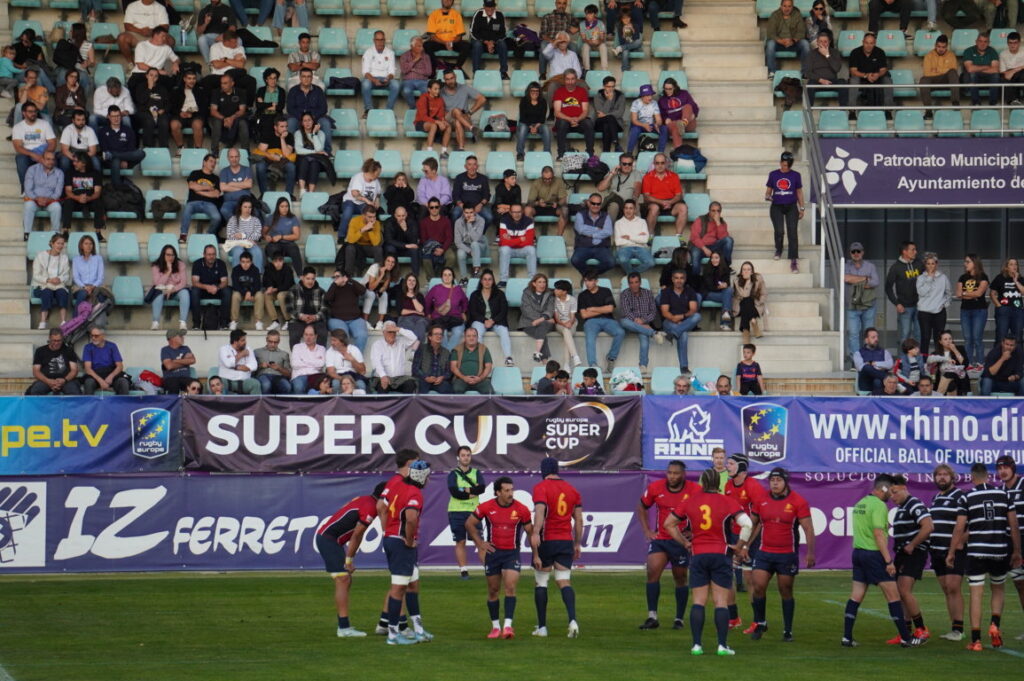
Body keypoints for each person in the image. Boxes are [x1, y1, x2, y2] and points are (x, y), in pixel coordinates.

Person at [665, 468, 752, 656]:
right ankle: (722, 646)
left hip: (698, 554)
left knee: (698, 601)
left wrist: (685, 542)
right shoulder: (728, 501)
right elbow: (748, 524)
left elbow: (668, 524)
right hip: (721, 554)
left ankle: (697, 645)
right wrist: (739, 545)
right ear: (718, 484)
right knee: (721, 602)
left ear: (702, 483)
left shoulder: (690, 501)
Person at [842, 474, 924, 647]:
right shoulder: (879, 506)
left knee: (856, 596)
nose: (892, 495)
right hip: (873, 555)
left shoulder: (860, 503)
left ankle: (846, 637)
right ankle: (906, 637)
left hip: (857, 553)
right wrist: (888, 561)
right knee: (893, 595)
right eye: (891, 491)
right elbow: (878, 534)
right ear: (884, 489)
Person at [949, 462, 1022, 651]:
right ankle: (994, 624)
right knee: (998, 589)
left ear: (972, 478)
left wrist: (951, 552)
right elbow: (1013, 525)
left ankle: (976, 640)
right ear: (989, 476)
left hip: (977, 551)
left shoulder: (967, 497)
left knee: (976, 593)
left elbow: (959, 527)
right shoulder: (1004, 494)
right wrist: (1016, 551)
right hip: (999, 549)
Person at [744, 467, 815, 642]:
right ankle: (760, 623)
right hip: (764, 552)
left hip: (786, 554)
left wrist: (811, 553)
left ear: (786, 482)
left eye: (778, 480)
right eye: (772, 480)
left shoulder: (798, 501)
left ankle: (788, 630)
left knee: (786, 591)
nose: (775, 483)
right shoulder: (761, 500)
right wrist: (744, 545)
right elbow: (751, 524)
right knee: (758, 586)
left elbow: (808, 528)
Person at [315, 481, 387, 638]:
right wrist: (349, 559)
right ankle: (344, 628)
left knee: (345, 580)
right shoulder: (370, 508)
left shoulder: (365, 500)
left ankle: (344, 624)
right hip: (328, 539)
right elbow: (357, 535)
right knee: (343, 580)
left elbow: (348, 507)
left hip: (330, 539)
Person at [636, 460, 700, 630]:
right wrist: (648, 530)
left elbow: (703, 510)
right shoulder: (656, 487)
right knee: (652, 571)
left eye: (676, 473)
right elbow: (642, 507)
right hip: (661, 540)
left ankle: (679, 618)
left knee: (680, 578)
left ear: (683, 474)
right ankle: (652, 616)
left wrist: (694, 532)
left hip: (680, 541)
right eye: (669, 473)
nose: (672, 476)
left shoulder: (694, 490)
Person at [467, 476, 533, 639]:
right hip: (493, 554)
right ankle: (495, 627)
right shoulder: (486, 507)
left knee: (510, 587)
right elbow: (469, 523)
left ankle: (508, 626)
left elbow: (531, 532)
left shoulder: (522, 509)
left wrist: (536, 555)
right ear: (498, 492)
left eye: (512, 490)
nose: (511, 493)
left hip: (512, 553)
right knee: (493, 590)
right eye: (507, 490)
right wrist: (480, 543)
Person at [378, 455, 434, 645]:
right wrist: (409, 540)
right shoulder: (415, 493)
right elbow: (410, 519)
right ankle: (393, 635)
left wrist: (388, 531)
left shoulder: (399, 485)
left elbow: (382, 507)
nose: (429, 480)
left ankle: (418, 629)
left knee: (412, 585)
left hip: (394, 539)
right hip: (401, 543)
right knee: (398, 588)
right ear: (422, 477)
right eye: (428, 476)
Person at [530, 457, 583, 638]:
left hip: (547, 539)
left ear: (543, 470)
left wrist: (536, 532)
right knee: (563, 580)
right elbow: (579, 521)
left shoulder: (541, 487)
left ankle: (542, 627)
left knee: (541, 581)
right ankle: (572, 620)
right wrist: (577, 543)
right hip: (565, 540)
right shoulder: (572, 490)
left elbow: (540, 511)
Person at [886, 475, 934, 644]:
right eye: (890, 493)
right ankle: (905, 633)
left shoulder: (914, 504)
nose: (892, 496)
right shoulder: (901, 508)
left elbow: (928, 526)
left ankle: (922, 630)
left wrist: (913, 544)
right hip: (903, 553)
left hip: (913, 553)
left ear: (904, 488)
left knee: (904, 591)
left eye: (895, 492)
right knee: (900, 593)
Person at [929, 463, 967, 641]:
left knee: (953, 587)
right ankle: (954, 627)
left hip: (953, 551)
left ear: (952, 477)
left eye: (945, 474)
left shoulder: (960, 497)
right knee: (946, 589)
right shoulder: (936, 498)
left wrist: (961, 541)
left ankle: (958, 629)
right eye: (938, 475)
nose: (942, 477)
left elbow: (972, 524)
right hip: (936, 550)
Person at [447, 446, 487, 579]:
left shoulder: (476, 472)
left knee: (479, 541)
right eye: (463, 455)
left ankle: (489, 569)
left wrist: (463, 489)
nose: (466, 457)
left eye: (468, 455)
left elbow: (481, 488)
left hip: (473, 512)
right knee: (460, 541)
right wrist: (471, 492)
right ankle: (464, 571)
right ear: (458, 457)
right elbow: (454, 492)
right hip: (456, 511)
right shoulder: (453, 474)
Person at [995, 455, 1024, 624]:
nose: (1002, 471)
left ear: (1013, 468)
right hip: (1010, 542)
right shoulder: (1001, 492)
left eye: (1005, 467)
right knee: (1019, 584)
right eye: (999, 468)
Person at [578, 270, 624, 372]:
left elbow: (610, 309)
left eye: (590, 281)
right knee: (590, 339)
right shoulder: (582, 295)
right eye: (585, 281)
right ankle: (593, 364)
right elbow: (584, 314)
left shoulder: (606, 291)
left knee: (620, 332)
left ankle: (611, 357)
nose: (587, 283)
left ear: (596, 281)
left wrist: (592, 309)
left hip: (608, 320)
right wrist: (602, 309)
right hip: (591, 321)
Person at [765, 151, 803, 273]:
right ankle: (779, 249)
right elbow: (768, 191)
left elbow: (799, 192)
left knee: (792, 232)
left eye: (787, 165)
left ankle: (793, 261)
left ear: (790, 165)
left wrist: (801, 208)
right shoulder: (773, 174)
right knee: (779, 231)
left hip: (791, 206)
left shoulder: (796, 175)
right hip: (776, 206)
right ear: (780, 162)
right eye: (782, 164)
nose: (784, 167)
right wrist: (768, 196)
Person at [469, 270, 514, 366]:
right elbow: (473, 312)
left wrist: (493, 320)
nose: (487, 282)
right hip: (480, 321)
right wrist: (484, 320)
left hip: (496, 321)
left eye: (490, 279)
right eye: (484, 279)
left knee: (504, 331)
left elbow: (503, 311)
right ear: (481, 281)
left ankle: (508, 358)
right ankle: (480, 358)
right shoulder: (475, 295)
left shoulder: (500, 294)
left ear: (493, 281)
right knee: (477, 332)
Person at [660, 269, 701, 375]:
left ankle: (674, 334)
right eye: (676, 278)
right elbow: (665, 312)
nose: (679, 280)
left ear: (685, 280)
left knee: (697, 316)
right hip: (669, 321)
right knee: (683, 333)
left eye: (681, 278)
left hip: (685, 320)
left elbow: (693, 309)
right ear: (673, 279)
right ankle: (684, 367)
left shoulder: (690, 291)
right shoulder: (666, 292)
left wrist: (682, 317)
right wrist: (674, 319)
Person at [844, 242, 879, 363]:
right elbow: (845, 278)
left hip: (868, 305)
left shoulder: (870, 266)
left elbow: (875, 282)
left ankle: (868, 358)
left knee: (869, 333)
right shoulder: (845, 266)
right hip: (852, 306)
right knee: (853, 334)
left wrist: (854, 280)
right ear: (850, 254)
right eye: (853, 252)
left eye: (858, 251)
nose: (856, 254)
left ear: (862, 252)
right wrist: (865, 279)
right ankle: (856, 360)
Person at [619, 271, 660, 373]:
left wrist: (643, 321)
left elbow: (653, 311)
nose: (634, 285)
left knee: (644, 342)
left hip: (644, 324)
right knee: (624, 321)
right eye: (631, 282)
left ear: (640, 282)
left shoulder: (648, 293)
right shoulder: (624, 294)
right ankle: (653, 333)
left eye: (636, 282)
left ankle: (643, 365)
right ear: (629, 284)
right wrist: (637, 321)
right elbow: (626, 312)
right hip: (631, 324)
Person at [286, 68, 333, 153]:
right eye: (304, 76)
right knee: (291, 122)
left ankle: (327, 152)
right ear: (300, 78)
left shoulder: (318, 90)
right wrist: (303, 118)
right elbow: (290, 108)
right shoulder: (293, 90)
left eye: (309, 76)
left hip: (315, 117)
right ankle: (290, 151)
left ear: (312, 78)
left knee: (325, 123)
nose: (306, 79)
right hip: (298, 117)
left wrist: (312, 118)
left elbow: (323, 108)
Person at [60, 151, 105, 239]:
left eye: (76, 162)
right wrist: (77, 198)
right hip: (75, 199)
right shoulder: (70, 173)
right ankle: (65, 231)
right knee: (67, 202)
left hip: (90, 200)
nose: (74, 164)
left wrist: (88, 198)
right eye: (73, 161)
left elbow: (97, 193)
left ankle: (98, 232)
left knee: (99, 203)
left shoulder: (95, 174)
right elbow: (68, 191)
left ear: (84, 163)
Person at [640, 153, 687, 237]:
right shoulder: (647, 177)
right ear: (654, 164)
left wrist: (670, 202)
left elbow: (678, 195)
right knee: (654, 208)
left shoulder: (674, 176)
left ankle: (679, 237)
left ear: (666, 163)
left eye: (662, 163)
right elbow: (646, 197)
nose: (660, 166)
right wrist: (662, 202)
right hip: (654, 202)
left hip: (671, 202)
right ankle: (649, 236)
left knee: (683, 208)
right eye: (657, 163)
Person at [13, 102, 57, 191]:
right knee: (20, 158)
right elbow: (18, 147)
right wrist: (33, 154)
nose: (33, 114)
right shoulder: (18, 127)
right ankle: (26, 188)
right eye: (30, 111)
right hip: (28, 153)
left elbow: (52, 143)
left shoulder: (44, 124)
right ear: (23, 113)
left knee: (54, 157)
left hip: (44, 151)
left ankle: (53, 188)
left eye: (35, 111)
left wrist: (44, 154)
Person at [552, 69, 595, 160]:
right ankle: (561, 154)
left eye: (572, 79)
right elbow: (557, 112)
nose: (570, 82)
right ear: (564, 80)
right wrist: (570, 119)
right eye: (567, 79)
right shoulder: (559, 92)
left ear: (576, 80)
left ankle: (590, 153)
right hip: (564, 121)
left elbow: (585, 110)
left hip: (579, 121)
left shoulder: (582, 91)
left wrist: (578, 119)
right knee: (562, 123)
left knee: (589, 123)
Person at [180, 153, 224, 242]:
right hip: (193, 202)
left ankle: (209, 234)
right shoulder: (195, 173)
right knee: (187, 210)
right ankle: (183, 236)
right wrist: (208, 188)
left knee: (217, 217)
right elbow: (192, 186)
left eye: (215, 162)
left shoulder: (216, 178)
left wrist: (199, 191)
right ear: (204, 162)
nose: (213, 164)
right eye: (211, 161)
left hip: (210, 204)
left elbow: (216, 194)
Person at [31, 233, 71, 329]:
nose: (60, 246)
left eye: (62, 244)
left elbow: (66, 274)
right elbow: (36, 275)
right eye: (58, 243)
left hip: (58, 285)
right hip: (42, 285)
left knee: (63, 293)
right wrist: (48, 280)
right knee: (47, 292)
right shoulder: (40, 256)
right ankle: (43, 321)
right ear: (52, 243)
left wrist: (59, 279)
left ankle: (63, 322)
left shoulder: (64, 258)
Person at [956, 254, 989, 368]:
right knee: (967, 338)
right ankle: (968, 363)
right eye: (965, 261)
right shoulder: (962, 277)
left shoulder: (983, 277)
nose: (965, 264)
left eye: (967, 261)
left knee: (977, 338)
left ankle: (980, 362)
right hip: (965, 311)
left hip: (979, 311)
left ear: (974, 263)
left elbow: (979, 293)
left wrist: (965, 293)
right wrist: (971, 295)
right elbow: (958, 293)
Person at [22, 150, 63, 239]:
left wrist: (48, 200)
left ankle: (55, 233)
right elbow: (28, 189)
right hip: (34, 200)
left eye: (53, 159)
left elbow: (58, 192)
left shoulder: (59, 173)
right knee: (28, 205)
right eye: (48, 159)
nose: (51, 162)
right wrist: (37, 198)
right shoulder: (32, 169)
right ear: (42, 159)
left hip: (50, 201)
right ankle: (27, 233)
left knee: (57, 207)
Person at [323, 269, 368, 352]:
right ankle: (344, 360)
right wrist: (334, 284)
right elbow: (327, 298)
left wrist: (349, 280)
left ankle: (356, 358)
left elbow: (363, 291)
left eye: (337, 276)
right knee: (343, 336)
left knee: (362, 335)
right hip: (336, 319)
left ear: (344, 277)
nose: (335, 279)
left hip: (355, 319)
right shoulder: (334, 287)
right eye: (334, 277)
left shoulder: (351, 285)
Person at [98, 107, 144, 186]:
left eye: (118, 116)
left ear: (121, 116)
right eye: (113, 116)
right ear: (108, 117)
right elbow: (104, 149)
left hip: (126, 161)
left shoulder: (128, 130)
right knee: (115, 161)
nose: (116, 119)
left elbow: (131, 148)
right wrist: (119, 158)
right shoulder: (103, 131)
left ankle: (116, 156)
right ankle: (117, 186)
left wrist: (123, 159)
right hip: (109, 160)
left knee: (141, 153)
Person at [916, 253, 951, 357]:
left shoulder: (943, 277)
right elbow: (921, 292)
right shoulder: (921, 278)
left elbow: (948, 292)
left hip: (939, 311)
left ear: (937, 264)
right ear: (925, 265)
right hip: (924, 312)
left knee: (939, 338)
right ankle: (924, 361)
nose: (931, 266)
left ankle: (939, 360)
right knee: (925, 337)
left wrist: (945, 304)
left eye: (933, 263)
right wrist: (929, 279)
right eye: (928, 264)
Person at [338, 159, 383, 240]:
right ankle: (341, 236)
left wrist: (377, 200)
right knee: (347, 214)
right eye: (378, 172)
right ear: (372, 171)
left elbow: (378, 193)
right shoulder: (358, 177)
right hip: (351, 202)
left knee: (370, 214)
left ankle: (368, 236)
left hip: (363, 205)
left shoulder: (376, 181)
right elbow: (355, 194)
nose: (379, 174)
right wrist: (367, 201)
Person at [27, 328, 81, 395]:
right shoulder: (40, 351)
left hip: (66, 380)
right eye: (54, 341)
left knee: (74, 391)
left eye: (59, 341)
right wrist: (48, 381)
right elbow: (36, 371)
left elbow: (74, 370)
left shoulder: (69, 350)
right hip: (46, 380)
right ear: (49, 338)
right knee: (36, 390)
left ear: (62, 339)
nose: (56, 343)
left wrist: (64, 380)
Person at [369, 321, 419, 394]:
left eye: (394, 332)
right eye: (390, 332)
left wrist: (398, 329)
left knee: (410, 384)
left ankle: (406, 406)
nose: (392, 334)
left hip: (399, 378)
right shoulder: (377, 344)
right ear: (384, 333)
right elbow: (376, 362)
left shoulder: (401, 342)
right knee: (382, 387)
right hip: (383, 377)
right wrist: (383, 376)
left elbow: (414, 338)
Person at [848, 32, 894, 110]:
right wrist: (866, 75)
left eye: (871, 43)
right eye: (866, 43)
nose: (869, 46)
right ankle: (852, 110)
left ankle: (888, 110)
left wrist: (878, 75)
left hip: (877, 77)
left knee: (887, 80)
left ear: (875, 43)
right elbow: (853, 71)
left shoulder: (880, 52)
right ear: (863, 42)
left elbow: (883, 69)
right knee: (853, 80)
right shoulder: (855, 52)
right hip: (861, 78)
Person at [426, 267, 469, 349]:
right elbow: (427, 301)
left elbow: (465, 301)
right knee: (442, 334)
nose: (447, 277)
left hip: (455, 318)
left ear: (453, 277)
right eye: (445, 275)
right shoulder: (436, 288)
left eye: (449, 275)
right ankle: (448, 356)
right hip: (439, 318)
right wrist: (428, 314)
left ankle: (446, 355)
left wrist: (463, 311)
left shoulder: (458, 289)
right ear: (441, 277)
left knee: (458, 332)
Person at [571, 193, 615, 275]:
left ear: (601, 205)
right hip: (583, 246)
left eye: (598, 204)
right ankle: (590, 276)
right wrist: (597, 230)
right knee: (575, 260)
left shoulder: (606, 216)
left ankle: (591, 275)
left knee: (611, 262)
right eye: (593, 203)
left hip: (602, 247)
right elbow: (581, 229)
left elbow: (608, 232)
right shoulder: (580, 214)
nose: (595, 206)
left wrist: (592, 234)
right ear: (588, 203)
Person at [190, 244, 231, 330]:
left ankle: (224, 324)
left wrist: (217, 287)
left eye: (213, 254)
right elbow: (194, 282)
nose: (211, 256)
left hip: (217, 290)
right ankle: (196, 324)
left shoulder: (221, 263)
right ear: (204, 255)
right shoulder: (197, 263)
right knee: (194, 291)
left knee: (227, 291)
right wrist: (207, 287)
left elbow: (225, 281)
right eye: (209, 254)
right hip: (203, 290)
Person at [130, 66, 173, 148]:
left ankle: (164, 148)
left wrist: (163, 110)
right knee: (149, 121)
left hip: (160, 113)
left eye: (156, 76)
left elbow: (168, 104)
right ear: (146, 76)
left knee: (164, 121)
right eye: (151, 75)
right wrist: (149, 88)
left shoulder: (162, 89)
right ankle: (148, 148)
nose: (153, 78)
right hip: (145, 112)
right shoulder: (140, 87)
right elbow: (140, 101)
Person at [764, 0, 808, 78]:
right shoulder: (775, 15)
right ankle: (772, 72)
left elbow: (801, 32)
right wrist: (781, 41)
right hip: (779, 43)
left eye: (789, 6)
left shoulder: (797, 15)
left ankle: (805, 72)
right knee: (770, 44)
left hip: (793, 43)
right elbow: (771, 33)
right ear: (781, 6)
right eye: (784, 6)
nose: (787, 8)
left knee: (805, 44)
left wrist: (793, 40)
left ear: (792, 7)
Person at [804, 30, 849, 106]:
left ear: (829, 42)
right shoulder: (811, 54)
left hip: (832, 81)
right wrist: (821, 80)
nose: (823, 43)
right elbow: (807, 72)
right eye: (820, 41)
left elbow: (837, 68)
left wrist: (827, 55)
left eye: (825, 41)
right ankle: (809, 111)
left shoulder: (835, 52)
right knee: (810, 85)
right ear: (817, 42)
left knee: (843, 83)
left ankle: (843, 111)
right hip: (817, 81)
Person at [208, 73, 249, 155]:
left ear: (232, 83)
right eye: (221, 83)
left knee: (243, 123)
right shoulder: (216, 92)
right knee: (217, 122)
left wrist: (231, 118)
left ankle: (246, 151)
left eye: (225, 83)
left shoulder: (240, 92)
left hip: (236, 118)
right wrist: (224, 119)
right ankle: (214, 151)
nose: (222, 85)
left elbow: (242, 110)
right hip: (220, 117)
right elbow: (213, 111)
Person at [360, 30, 399, 116]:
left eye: (382, 40)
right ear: (374, 40)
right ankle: (368, 110)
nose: (380, 42)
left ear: (384, 40)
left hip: (385, 79)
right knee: (365, 84)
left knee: (396, 84)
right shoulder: (368, 52)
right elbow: (365, 72)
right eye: (378, 40)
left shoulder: (390, 53)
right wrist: (374, 80)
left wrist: (388, 78)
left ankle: (389, 110)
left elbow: (392, 72)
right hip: (372, 79)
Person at [424, 0, 472, 71]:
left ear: (452, 2)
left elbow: (459, 36)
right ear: (442, 1)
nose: (447, 1)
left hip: (453, 43)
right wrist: (445, 43)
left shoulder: (456, 14)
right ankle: (437, 66)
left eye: (450, 0)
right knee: (426, 45)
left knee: (467, 45)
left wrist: (451, 43)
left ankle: (457, 67)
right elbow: (432, 36)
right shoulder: (434, 14)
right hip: (439, 43)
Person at [688, 202, 732, 278]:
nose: (715, 213)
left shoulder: (722, 223)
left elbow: (723, 238)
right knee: (695, 255)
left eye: (718, 211)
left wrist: (718, 223)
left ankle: (726, 267)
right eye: (713, 210)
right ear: (709, 211)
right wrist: (704, 248)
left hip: (714, 247)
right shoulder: (700, 220)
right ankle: (695, 281)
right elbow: (694, 237)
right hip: (700, 247)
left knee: (729, 240)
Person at [339, 205, 383, 277]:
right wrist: (363, 230)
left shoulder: (377, 223)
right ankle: (348, 276)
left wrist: (370, 230)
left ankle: (376, 276)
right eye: (370, 217)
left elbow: (376, 243)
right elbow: (350, 240)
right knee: (349, 248)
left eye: (374, 217)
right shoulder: (354, 221)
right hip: (357, 246)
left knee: (378, 249)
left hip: (368, 247)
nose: (372, 220)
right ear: (363, 216)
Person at [498, 205, 537, 286]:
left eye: (519, 212)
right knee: (504, 249)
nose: (517, 214)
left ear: (522, 212)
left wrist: (510, 240)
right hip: (509, 250)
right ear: (510, 212)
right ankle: (503, 280)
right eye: (514, 212)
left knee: (531, 250)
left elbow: (529, 241)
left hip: (523, 249)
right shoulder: (504, 221)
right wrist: (520, 239)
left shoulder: (529, 221)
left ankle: (533, 280)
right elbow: (503, 242)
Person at [989, 258, 1024, 347]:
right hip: (1003, 309)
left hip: (1017, 310)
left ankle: (1018, 360)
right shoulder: (1000, 278)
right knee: (1001, 336)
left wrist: (1016, 280)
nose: (1014, 266)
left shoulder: (1020, 278)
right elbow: (992, 294)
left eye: (1015, 264)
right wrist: (999, 306)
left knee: (1018, 337)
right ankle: (999, 359)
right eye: (1011, 264)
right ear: (1006, 267)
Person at [470, 0, 510, 78]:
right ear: (484, 6)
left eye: (492, 7)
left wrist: (492, 42)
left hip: (494, 43)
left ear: (495, 7)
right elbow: (473, 32)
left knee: (502, 44)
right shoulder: (478, 14)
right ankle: (476, 72)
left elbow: (503, 33)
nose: (490, 9)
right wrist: (486, 42)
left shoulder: (499, 15)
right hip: (481, 42)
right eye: (488, 7)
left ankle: (503, 72)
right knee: (477, 45)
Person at [526, 166, 569, 238]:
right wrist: (538, 203)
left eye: (550, 179)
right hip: (539, 207)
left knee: (565, 210)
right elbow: (530, 202)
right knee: (527, 210)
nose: (547, 181)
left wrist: (558, 203)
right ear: (541, 176)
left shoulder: (559, 181)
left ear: (553, 175)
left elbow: (563, 200)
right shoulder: (536, 183)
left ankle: (558, 237)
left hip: (554, 207)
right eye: (545, 179)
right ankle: (532, 238)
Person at [920, 34, 960, 111]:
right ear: (935, 45)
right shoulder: (928, 56)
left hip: (946, 82)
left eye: (943, 47)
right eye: (939, 46)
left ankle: (955, 103)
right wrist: (945, 70)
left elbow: (953, 70)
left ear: (947, 46)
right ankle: (928, 111)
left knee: (953, 73)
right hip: (933, 82)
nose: (941, 49)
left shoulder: (951, 55)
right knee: (923, 80)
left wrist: (936, 70)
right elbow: (927, 73)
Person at [169, 70, 207, 151]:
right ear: (184, 79)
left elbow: (204, 108)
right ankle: (180, 148)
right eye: (189, 78)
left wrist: (192, 114)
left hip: (196, 115)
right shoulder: (176, 91)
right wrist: (180, 113)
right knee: (174, 125)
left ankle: (198, 149)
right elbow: (171, 106)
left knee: (197, 125)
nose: (192, 81)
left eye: (194, 78)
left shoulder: (201, 91)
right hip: (180, 115)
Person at [521, 274, 555, 363]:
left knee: (542, 326)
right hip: (529, 323)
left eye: (544, 282)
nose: (542, 284)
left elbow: (550, 310)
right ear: (534, 283)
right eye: (539, 282)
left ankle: (537, 351)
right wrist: (543, 318)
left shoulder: (550, 294)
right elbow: (526, 310)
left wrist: (541, 320)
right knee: (542, 333)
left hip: (545, 322)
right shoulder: (526, 294)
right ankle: (545, 362)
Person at [450, 326, 495, 394]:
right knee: (457, 390)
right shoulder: (457, 349)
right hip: (461, 379)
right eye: (469, 336)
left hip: (480, 379)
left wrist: (480, 378)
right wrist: (464, 377)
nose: (471, 338)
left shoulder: (484, 349)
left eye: (474, 336)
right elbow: (453, 367)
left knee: (489, 391)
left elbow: (488, 367)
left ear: (477, 337)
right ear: (465, 337)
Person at [597, 153, 642, 221]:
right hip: (613, 201)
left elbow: (637, 191)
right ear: (620, 164)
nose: (627, 166)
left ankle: (639, 230)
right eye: (624, 164)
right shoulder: (613, 173)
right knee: (614, 206)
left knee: (635, 206)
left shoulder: (636, 173)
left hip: (628, 202)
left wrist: (632, 203)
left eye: (629, 164)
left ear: (632, 164)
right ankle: (609, 231)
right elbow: (600, 188)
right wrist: (611, 175)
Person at [293, 111, 329, 196]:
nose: (307, 123)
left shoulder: (321, 133)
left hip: (317, 160)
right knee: (304, 160)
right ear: (302, 123)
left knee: (314, 163)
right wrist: (314, 152)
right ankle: (302, 190)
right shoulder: (298, 133)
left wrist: (314, 134)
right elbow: (298, 150)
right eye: (304, 120)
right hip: (302, 159)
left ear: (313, 121)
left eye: (309, 120)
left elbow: (319, 148)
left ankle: (311, 193)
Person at [262, 197, 301, 271]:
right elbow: (263, 233)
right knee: (274, 251)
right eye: (282, 206)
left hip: (288, 244)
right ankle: (274, 274)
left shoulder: (292, 218)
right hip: (274, 244)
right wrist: (266, 237)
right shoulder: (271, 218)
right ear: (278, 207)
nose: (285, 208)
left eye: (286, 206)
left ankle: (300, 275)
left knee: (295, 249)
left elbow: (296, 236)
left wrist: (281, 237)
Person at [614, 199, 654, 274]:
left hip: (641, 247)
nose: (628, 211)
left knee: (650, 262)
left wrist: (629, 237)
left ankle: (631, 275)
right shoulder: (618, 223)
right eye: (626, 208)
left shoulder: (642, 222)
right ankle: (633, 276)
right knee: (623, 260)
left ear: (635, 210)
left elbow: (645, 240)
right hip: (624, 248)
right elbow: (618, 242)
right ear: (623, 209)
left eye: (631, 208)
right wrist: (638, 237)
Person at [451, 154, 492, 226]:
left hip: (478, 206)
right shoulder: (459, 178)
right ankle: (458, 235)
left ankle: (479, 234)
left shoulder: (483, 178)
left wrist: (481, 204)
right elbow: (455, 195)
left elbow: (487, 195)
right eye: (469, 165)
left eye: (474, 165)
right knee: (455, 214)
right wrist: (463, 207)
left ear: (477, 166)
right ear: (465, 166)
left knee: (489, 217)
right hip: (463, 206)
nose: (472, 167)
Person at [414, 79, 452, 157]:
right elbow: (423, 117)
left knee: (448, 126)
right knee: (433, 126)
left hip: (434, 121)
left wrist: (443, 121)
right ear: (429, 89)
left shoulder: (440, 100)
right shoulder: (423, 98)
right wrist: (438, 122)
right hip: (421, 122)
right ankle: (429, 151)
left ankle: (443, 152)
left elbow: (441, 115)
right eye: (435, 89)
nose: (437, 91)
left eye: (438, 89)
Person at [733, 261, 767, 345]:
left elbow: (764, 293)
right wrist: (747, 281)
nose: (746, 271)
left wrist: (760, 302)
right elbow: (742, 295)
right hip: (741, 305)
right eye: (744, 270)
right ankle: (753, 321)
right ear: (741, 272)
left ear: (752, 271)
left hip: (756, 305)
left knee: (748, 301)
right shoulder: (737, 281)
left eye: (748, 270)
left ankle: (745, 332)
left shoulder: (758, 279)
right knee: (745, 300)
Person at [626, 84, 667, 154]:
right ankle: (629, 153)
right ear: (642, 96)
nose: (650, 97)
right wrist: (644, 125)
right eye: (648, 95)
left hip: (651, 125)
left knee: (664, 128)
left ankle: (660, 153)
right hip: (639, 125)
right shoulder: (636, 103)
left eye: (651, 95)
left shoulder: (654, 103)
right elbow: (634, 120)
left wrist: (657, 124)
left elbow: (658, 119)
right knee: (635, 129)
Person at [217, 328, 260, 394]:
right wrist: (242, 354)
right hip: (226, 380)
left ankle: (254, 404)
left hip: (244, 381)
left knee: (255, 384)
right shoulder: (224, 349)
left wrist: (236, 367)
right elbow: (228, 364)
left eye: (245, 340)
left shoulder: (248, 349)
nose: (245, 342)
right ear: (235, 342)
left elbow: (254, 366)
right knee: (218, 384)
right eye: (242, 340)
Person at [413, 323, 453, 393]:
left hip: (439, 381)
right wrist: (426, 377)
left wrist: (442, 377)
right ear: (430, 337)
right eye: (436, 334)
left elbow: (448, 372)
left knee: (448, 390)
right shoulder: (422, 349)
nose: (439, 336)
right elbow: (415, 368)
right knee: (421, 389)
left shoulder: (446, 352)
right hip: (424, 379)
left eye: (440, 334)